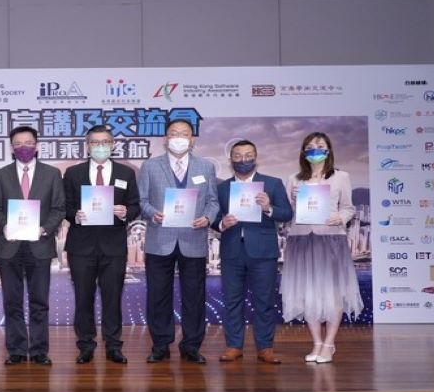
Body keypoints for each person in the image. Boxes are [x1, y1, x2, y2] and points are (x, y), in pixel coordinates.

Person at [137, 118, 219, 364]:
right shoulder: (150, 166)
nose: (179, 138)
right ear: (166, 139)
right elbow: (142, 201)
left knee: (194, 296)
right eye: (174, 133)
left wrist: (208, 217)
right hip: (159, 239)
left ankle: (191, 346)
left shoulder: (205, 167)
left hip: (193, 239)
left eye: (184, 134)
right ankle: (160, 345)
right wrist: (153, 213)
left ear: (192, 139)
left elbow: (213, 201)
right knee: (158, 296)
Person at [281, 132, 363, 363]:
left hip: (330, 239)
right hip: (301, 240)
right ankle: (316, 342)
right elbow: (288, 213)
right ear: (303, 151)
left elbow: (349, 208)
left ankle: (329, 344)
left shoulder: (341, 177)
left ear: (328, 150)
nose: (314, 149)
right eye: (309, 146)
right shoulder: (294, 179)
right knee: (307, 293)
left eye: (319, 145)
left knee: (333, 293)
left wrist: (341, 217)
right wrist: (294, 200)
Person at [0, 125, 66, 365]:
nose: (24, 147)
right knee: (12, 302)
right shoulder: (0, 174)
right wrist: (5, 226)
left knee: (39, 302)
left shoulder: (51, 174)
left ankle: (40, 350)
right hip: (9, 246)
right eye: (18, 144)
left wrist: (43, 229)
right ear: (12, 148)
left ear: (37, 146)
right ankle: (17, 350)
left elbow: (59, 208)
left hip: (39, 245)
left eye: (29, 143)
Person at [62, 125, 140, 364]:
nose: (100, 146)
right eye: (95, 142)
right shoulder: (73, 173)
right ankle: (85, 345)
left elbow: (135, 205)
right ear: (87, 146)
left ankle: (113, 345)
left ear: (112, 145)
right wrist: (74, 215)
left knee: (112, 298)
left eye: (105, 142)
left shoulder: (126, 173)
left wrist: (126, 212)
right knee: (83, 298)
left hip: (113, 246)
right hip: (81, 246)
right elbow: (64, 206)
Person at [212, 139, 293, 364]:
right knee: (232, 301)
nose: (243, 160)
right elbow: (214, 218)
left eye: (248, 155)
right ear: (231, 160)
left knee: (264, 302)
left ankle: (265, 347)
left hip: (263, 252)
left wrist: (268, 208)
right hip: (232, 251)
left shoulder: (273, 184)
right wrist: (222, 224)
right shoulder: (222, 188)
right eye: (238, 156)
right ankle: (234, 346)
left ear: (256, 158)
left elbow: (287, 214)